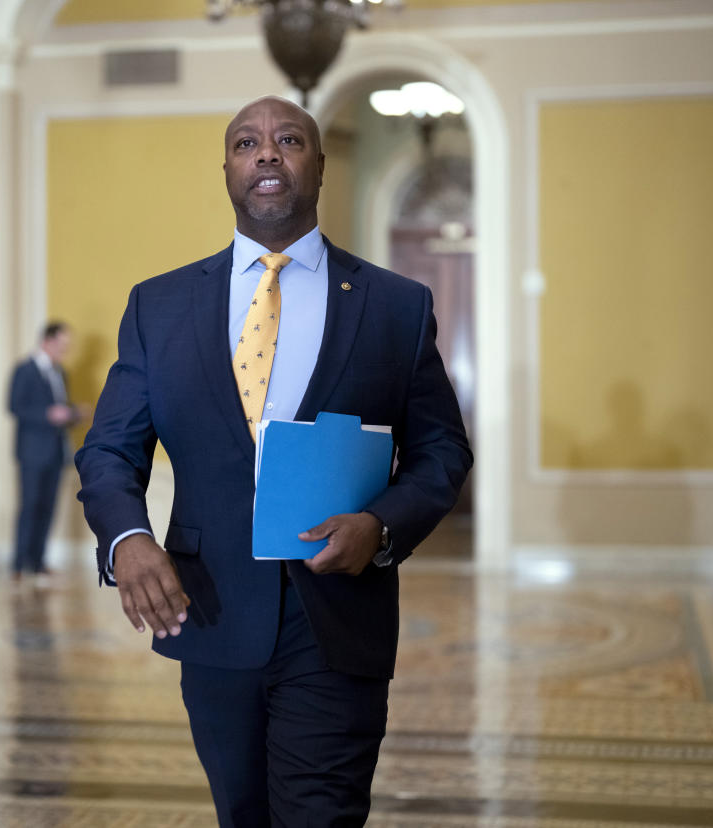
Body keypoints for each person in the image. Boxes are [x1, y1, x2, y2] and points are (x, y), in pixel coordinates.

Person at [74, 96, 472, 827]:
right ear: (226, 169)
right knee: (243, 814)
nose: (266, 153)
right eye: (245, 143)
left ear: (318, 167)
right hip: (212, 610)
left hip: (337, 616)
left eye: (289, 140)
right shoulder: (159, 306)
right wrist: (128, 541)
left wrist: (381, 527)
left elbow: (443, 448)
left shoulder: (395, 305)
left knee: (320, 815)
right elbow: (108, 449)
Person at [8, 321, 82, 582]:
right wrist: (47, 415)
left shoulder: (60, 372)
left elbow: (61, 409)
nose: (64, 350)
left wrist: (74, 413)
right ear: (47, 341)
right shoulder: (24, 370)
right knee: (29, 506)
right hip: (31, 451)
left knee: (48, 508)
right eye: (61, 345)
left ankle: (38, 561)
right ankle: (18, 564)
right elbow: (15, 406)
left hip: (55, 451)